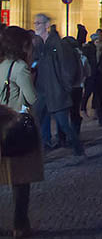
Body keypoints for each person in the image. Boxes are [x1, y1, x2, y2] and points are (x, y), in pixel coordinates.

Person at [0, 26, 44, 238]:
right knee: (20, 181)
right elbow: (31, 98)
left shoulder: (1, 65)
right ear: (22, 46)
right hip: (17, 127)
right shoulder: (20, 68)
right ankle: (20, 225)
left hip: (1, 125)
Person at [32, 17, 84, 156]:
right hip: (42, 91)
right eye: (35, 23)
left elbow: (67, 69)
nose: (36, 26)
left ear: (46, 25)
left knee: (64, 124)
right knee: (36, 120)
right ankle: (40, 149)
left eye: (39, 23)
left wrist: (65, 87)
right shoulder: (40, 45)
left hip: (55, 91)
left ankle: (78, 147)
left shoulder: (57, 45)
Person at [80, 32, 99, 116]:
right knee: (88, 92)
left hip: (96, 73)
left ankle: (94, 109)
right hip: (90, 73)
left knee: (96, 92)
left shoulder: (98, 48)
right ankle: (83, 108)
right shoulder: (88, 49)